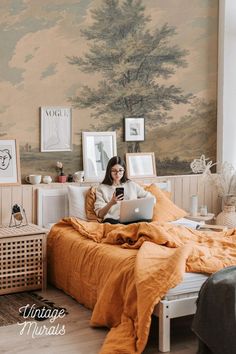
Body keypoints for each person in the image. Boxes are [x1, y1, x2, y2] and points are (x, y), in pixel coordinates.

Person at [94, 156, 154, 224]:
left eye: (120, 170)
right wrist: (111, 203)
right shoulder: (101, 188)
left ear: (124, 170)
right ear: (109, 171)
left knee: (146, 222)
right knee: (111, 224)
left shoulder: (131, 184)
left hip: (132, 218)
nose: (117, 174)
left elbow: (151, 198)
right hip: (113, 220)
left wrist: (141, 205)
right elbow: (100, 214)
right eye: (114, 170)